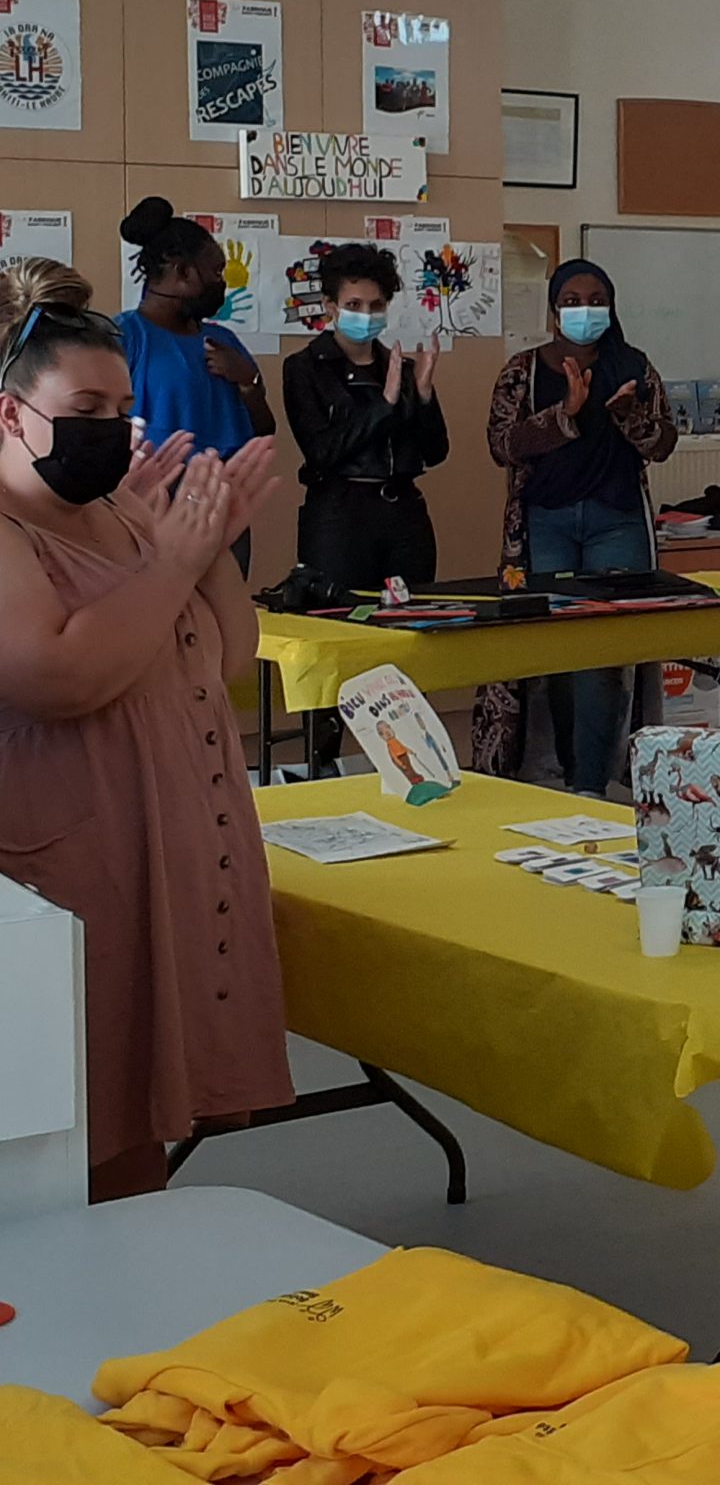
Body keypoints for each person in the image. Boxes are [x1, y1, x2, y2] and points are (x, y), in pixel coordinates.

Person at [0, 257, 288, 1200]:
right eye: (85, 408)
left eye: (123, 408)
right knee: (61, 1132)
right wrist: (171, 563)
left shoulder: (122, 509)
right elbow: (61, 676)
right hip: (61, 879)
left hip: (164, 857)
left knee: (134, 1130)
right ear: (12, 415)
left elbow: (228, 654)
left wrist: (204, 544)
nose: (114, 430)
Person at [471, 261, 675, 795]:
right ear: (553, 310)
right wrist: (566, 413)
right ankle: (556, 771)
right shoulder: (522, 370)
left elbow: (662, 444)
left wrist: (629, 413)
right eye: (572, 301)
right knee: (556, 650)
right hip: (546, 524)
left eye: (596, 300)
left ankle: (591, 782)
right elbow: (501, 445)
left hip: (616, 521)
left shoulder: (634, 365)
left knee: (604, 655)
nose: (586, 310)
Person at [282, 243, 447, 765]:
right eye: (354, 305)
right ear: (331, 307)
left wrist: (422, 395)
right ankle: (322, 765)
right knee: (334, 640)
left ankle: (411, 764)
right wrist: (386, 402)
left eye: (376, 305)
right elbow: (323, 450)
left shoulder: (399, 365)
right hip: (339, 514)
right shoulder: (304, 368)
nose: (366, 315)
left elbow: (436, 450)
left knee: (408, 638)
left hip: (402, 514)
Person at [115, 196, 275, 568]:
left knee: (224, 597)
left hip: (223, 495)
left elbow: (264, 428)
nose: (222, 283)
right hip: (152, 497)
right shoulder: (125, 336)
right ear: (184, 272)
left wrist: (248, 380)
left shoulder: (224, 340)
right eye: (216, 272)